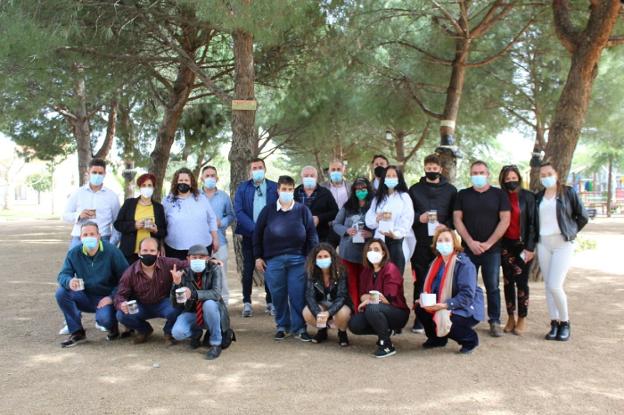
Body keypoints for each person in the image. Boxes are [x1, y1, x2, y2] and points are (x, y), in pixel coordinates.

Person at [254, 175, 319, 341]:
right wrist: (258, 257)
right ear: (278, 191)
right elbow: (257, 235)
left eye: (290, 189)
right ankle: (282, 326)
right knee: (278, 295)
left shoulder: (303, 210)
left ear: (293, 191)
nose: (287, 192)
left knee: (298, 295)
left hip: (298, 260)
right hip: (273, 260)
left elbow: (312, 235)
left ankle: (299, 328)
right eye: (284, 189)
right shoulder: (267, 211)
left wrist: (311, 258)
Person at [453, 160, 510, 337]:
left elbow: (505, 220)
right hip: (468, 249)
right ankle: (466, 317)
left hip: (491, 250)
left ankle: (494, 321)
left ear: (488, 174)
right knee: (466, 285)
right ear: (470, 175)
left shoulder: (499, 195)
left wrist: (488, 243)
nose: (478, 176)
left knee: (492, 285)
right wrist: (469, 242)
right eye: (475, 173)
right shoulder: (462, 195)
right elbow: (457, 219)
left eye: (481, 172)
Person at [536, 162, 588, 342]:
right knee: (547, 286)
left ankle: (565, 322)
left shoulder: (568, 192)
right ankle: (554, 323)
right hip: (543, 244)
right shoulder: (538, 197)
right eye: (542, 175)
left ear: (556, 174)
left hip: (562, 244)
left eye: (549, 173)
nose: (546, 177)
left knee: (555, 285)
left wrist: (570, 232)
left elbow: (583, 216)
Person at [55, 222, 129, 347]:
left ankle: (112, 327)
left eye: (92, 234)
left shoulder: (112, 251)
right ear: (80, 237)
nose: (89, 237)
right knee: (61, 292)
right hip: (85, 296)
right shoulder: (74, 253)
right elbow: (62, 275)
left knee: (104, 320)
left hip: (106, 297)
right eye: (85, 234)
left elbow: (126, 279)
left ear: (99, 235)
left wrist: (111, 297)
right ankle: (77, 331)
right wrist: (69, 281)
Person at [415, 227, 485, 354]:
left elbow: (467, 296)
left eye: (447, 240)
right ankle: (437, 339)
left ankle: (470, 340)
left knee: (445, 316)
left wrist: (444, 305)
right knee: (420, 308)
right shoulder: (436, 263)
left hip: (465, 307)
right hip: (444, 303)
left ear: (455, 243)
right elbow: (430, 288)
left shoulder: (464, 264)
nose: (443, 243)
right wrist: (424, 300)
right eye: (440, 241)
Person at [408, 154, 457, 333]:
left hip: (443, 242)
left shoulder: (451, 190)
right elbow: (407, 215)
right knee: (420, 279)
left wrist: (447, 226)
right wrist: (417, 218)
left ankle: (442, 314)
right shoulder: (414, 190)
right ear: (424, 168)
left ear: (441, 170)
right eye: (428, 168)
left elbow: (455, 214)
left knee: (443, 277)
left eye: (435, 169)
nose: (432, 171)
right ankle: (420, 317)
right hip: (421, 241)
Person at [114, 238, 185, 346]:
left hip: (164, 303)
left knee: (178, 304)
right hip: (141, 305)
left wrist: (210, 261)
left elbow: (188, 264)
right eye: (145, 251)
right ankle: (144, 330)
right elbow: (120, 294)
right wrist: (121, 304)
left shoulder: (168, 263)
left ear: (158, 253)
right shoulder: (130, 272)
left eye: (152, 251)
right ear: (139, 253)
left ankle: (169, 332)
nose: (148, 254)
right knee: (121, 315)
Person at [348, 239, 409, 358]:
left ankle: (386, 345)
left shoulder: (390, 269)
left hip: (397, 313)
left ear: (383, 253)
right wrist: (373, 298)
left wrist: (369, 299)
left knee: (372, 308)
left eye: (376, 249)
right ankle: (386, 331)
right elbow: (362, 296)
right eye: (369, 250)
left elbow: (388, 299)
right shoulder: (366, 271)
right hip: (378, 311)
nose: (372, 252)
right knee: (354, 324)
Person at [171, 244, 232, 360]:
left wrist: (193, 294)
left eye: (202, 257)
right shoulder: (183, 273)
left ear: (208, 259)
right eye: (194, 257)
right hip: (193, 312)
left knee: (209, 304)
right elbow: (175, 303)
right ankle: (196, 334)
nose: (198, 260)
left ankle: (215, 343)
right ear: (188, 259)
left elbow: (216, 294)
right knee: (177, 332)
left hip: (212, 312)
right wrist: (176, 284)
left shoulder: (215, 269)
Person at [234, 158, 277, 317]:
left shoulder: (274, 187)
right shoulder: (243, 188)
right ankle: (247, 302)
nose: (257, 170)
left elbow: (278, 208)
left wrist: (267, 229)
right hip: (249, 235)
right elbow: (238, 211)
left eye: (260, 167)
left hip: (270, 236)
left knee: (270, 269)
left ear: (265, 169)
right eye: (254, 168)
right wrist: (255, 229)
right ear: (250, 171)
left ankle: (271, 302)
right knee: (248, 269)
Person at [498, 165, 537, 335]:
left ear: (519, 178)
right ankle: (510, 317)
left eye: (514, 178)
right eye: (507, 179)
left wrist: (530, 247)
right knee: (508, 282)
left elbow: (533, 224)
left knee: (522, 282)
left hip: (523, 246)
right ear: (503, 181)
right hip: (505, 246)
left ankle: (522, 318)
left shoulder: (528, 197)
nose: (511, 181)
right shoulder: (500, 196)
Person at [332, 177, 374, 310]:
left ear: (368, 189)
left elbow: (380, 225)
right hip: (348, 253)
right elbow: (336, 224)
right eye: (358, 189)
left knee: (366, 283)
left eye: (363, 189)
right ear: (353, 191)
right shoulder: (348, 206)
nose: (361, 191)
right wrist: (346, 230)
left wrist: (371, 234)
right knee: (351, 283)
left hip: (367, 254)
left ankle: (367, 310)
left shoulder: (373, 206)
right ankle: (356, 310)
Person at [365, 165, 415, 275]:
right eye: (388, 176)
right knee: (377, 278)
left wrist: (396, 233)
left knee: (394, 279)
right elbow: (369, 219)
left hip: (396, 243)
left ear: (399, 178)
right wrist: (377, 219)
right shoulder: (378, 198)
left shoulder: (404, 197)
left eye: (394, 176)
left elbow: (407, 219)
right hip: (378, 244)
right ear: (384, 178)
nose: (391, 178)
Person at [63, 158, 121, 249]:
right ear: (88, 172)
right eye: (94, 172)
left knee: (102, 264)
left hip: (103, 238)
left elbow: (117, 223)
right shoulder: (77, 193)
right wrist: (78, 215)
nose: (97, 175)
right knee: (72, 263)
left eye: (100, 173)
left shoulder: (112, 196)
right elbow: (65, 215)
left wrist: (112, 243)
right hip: (79, 238)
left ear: (105, 174)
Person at [162, 167, 219, 260]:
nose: (183, 182)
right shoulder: (167, 201)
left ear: (191, 183)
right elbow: (162, 224)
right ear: (175, 183)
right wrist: (161, 244)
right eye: (180, 180)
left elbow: (211, 218)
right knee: (177, 274)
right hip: (175, 249)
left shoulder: (201, 198)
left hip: (202, 249)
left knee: (200, 274)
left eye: (186, 180)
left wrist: (215, 239)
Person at [302, 243, 352, 346]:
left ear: (332, 257)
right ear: (315, 259)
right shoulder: (311, 272)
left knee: (343, 313)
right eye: (319, 257)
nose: (322, 259)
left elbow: (342, 296)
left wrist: (329, 313)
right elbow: (309, 296)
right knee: (307, 312)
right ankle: (322, 330)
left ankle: (342, 332)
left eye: (325, 256)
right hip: (322, 304)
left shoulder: (341, 271)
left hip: (338, 304)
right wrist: (317, 313)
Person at [114, 173, 167, 264]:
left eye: (149, 185)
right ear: (139, 187)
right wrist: (134, 225)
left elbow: (163, 231)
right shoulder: (129, 204)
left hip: (150, 253)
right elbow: (118, 224)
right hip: (129, 253)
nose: (146, 188)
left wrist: (155, 230)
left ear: (153, 188)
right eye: (144, 185)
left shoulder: (158, 207)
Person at [201, 165, 235, 304]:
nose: (210, 178)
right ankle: (203, 304)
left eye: (213, 175)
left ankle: (224, 304)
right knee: (201, 275)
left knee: (221, 275)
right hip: (200, 243)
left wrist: (221, 222)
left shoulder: (224, 197)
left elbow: (231, 215)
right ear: (202, 178)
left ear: (217, 178)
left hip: (219, 242)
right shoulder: (196, 196)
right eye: (207, 175)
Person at [294, 166, 339, 244]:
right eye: (306, 176)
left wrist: (319, 218)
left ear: (317, 177)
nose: (309, 178)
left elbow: (335, 212)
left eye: (312, 176)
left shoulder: (325, 193)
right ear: (301, 177)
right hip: (298, 236)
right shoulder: (294, 193)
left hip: (321, 237)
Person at [322, 159, 351, 248]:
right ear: (329, 171)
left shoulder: (351, 187)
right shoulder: (322, 187)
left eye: (339, 169)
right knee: (328, 255)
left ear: (343, 170)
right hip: (328, 228)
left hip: (346, 227)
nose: (336, 172)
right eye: (333, 170)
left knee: (346, 257)